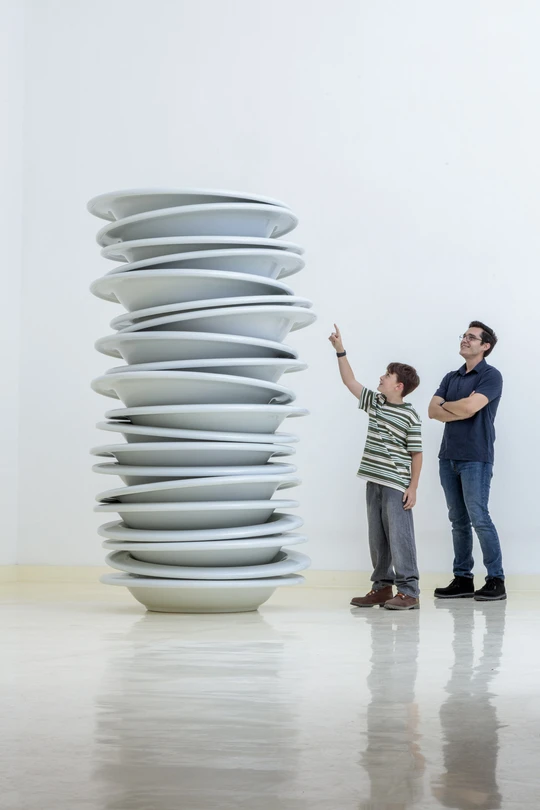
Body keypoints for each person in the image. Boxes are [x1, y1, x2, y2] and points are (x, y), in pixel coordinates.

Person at [329, 324, 423, 610]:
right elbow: (350, 381)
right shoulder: (376, 403)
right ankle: (382, 588)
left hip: (396, 486)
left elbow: (416, 454)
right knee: (377, 538)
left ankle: (409, 592)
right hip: (374, 482)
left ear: (399, 386)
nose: (381, 377)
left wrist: (413, 488)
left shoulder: (410, 416)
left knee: (400, 538)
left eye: (387, 375)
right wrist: (340, 351)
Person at [428, 321, 505, 601]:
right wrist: (458, 408)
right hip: (448, 456)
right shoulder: (451, 377)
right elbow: (432, 411)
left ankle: (496, 580)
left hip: (476, 457)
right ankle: (463, 579)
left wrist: (450, 406)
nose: (465, 340)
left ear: (485, 346)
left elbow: (472, 407)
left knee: (479, 518)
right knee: (457, 521)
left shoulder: (491, 376)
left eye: (472, 337)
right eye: (464, 335)